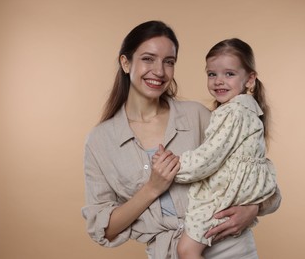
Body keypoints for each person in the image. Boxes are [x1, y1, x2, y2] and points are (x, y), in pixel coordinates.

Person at [81, 20, 282, 259]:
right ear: (126, 63)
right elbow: (103, 229)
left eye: (169, 62)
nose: (159, 71)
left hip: (229, 246)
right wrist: (152, 188)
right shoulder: (100, 141)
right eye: (148, 58)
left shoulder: (198, 115)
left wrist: (253, 209)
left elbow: (260, 178)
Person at [153, 38, 277, 259]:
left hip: (223, 196)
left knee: (186, 250)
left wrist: (174, 166)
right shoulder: (249, 111)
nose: (219, 81)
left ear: (250, 79)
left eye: (229, 74)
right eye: (212, 74)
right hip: (242, 192)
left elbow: (208, 158)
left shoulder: (232, 112)